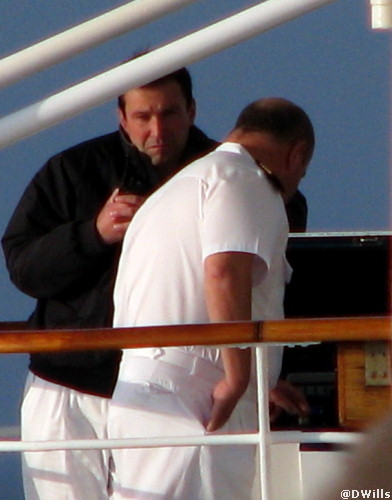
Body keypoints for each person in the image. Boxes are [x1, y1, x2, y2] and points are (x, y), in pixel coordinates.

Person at [1, 67, 217, 500]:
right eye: (143, 116)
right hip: (69, 386)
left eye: (170, 114)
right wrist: (94, 233)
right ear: (121, 116)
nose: (157, 129)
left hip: (179, 391)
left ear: (191, 111)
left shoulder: (226, 176)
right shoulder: (72, 170)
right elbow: (23, 267)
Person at [108, 97, 315, 500]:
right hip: (195, 403)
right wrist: (238, 377)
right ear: (297, 154)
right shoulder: (243, 178)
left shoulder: (180, 186)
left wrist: (259, 381)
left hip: (145, 395)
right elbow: (224, 272)